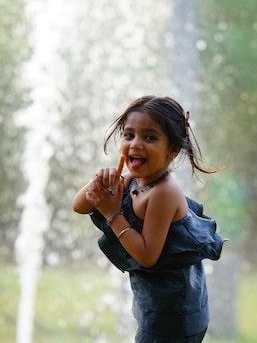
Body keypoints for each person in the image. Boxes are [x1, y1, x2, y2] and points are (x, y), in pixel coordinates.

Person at [72, 95, 225, 342]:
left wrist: (112, 214)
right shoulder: (131, 180)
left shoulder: (164, 192)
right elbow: (79, 206)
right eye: (129, 135)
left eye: (150, 137)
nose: (136, 144)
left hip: (176, 315)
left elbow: (146, 255)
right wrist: (100, 181)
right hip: (156, 305)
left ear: (172, 150)